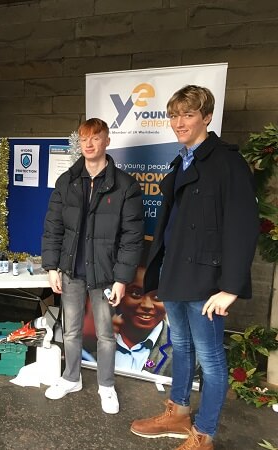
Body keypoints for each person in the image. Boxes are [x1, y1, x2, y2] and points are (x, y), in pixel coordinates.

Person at [130, 85, 259, 450]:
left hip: (207, 282)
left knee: (212, 360)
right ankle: (178, 412)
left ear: (206, 117)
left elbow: (243, 226)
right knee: (182, 348)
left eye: (188, 114)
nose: (179, 122)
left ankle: (203, 434)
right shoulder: (181, 161)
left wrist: (230, 288)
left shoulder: (227, 162)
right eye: (174, 115)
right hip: (176, 275)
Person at [41, 118, 144, 414]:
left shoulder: (126, 185)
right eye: (84, 138)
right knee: (70, 331)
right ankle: (71, 377)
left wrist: (122, 279)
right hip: (71, 270)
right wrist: (52, 267)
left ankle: (106, 386)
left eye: (95, 138)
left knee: (105, 335)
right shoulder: (67, 181)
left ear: (107, 141)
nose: (88, 144)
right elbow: (53, 227)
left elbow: (132, 236)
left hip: (105, 274)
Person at [114, 266, 171, 376]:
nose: (147, 305)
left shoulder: (188, 353)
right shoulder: (92, 337)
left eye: (158, 296)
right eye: (136, 293)